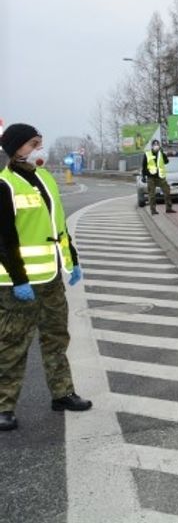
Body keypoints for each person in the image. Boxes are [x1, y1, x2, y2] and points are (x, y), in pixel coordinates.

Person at [0, 123, 93, 431]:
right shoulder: (5, 184)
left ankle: (62, 393)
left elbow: (59, 226)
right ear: (16, 148)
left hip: (51, 279)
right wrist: (19, 278)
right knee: (12, 345)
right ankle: (4, 406)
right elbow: (4, 239)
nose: (38, 147)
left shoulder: (44, 178)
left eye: (39, 142)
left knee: (56, 338)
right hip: (18, 285)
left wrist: (73, 260)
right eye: (32, 143)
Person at [142, 140, 176, 215]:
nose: (156, 146)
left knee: (167, 191)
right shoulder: (147, 154)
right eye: (154, 144)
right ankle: (153, 210)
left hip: (160, 176)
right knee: (152, 194)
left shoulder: (161, 153)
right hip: (151, 177)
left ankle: (169, 208)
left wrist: (162, 153)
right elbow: (144, 166)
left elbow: (166, 161)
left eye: (157, 144)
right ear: (152, 146)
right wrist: (143, 176)